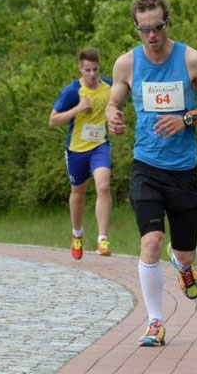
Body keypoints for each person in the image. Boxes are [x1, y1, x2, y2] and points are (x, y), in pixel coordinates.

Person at [106, 0, 197, 346]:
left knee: (184, 251)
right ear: (137, 28)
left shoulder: (191, 60)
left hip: (182, 170)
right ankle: (155, 322)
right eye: (144, 29)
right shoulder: (126, 64)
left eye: (157, 27)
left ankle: (182, 265)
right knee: (150, 242)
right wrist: (112, 115)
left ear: (168, 23)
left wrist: (187, 119)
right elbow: (114, 100)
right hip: (145, 166)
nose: (152, 35)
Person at [50, 47, 113, 260]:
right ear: (80, 68)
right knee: (78, 192)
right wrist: (78, 108)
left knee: (103, 186)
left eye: (95, 69)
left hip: (100, 146)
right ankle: (77, 235)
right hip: (76, 149)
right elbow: (53, 120)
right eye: (88, 70)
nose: (93, 74)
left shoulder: (109, 87)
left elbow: (117, 105)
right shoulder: (72, 90)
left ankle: (102, 239)